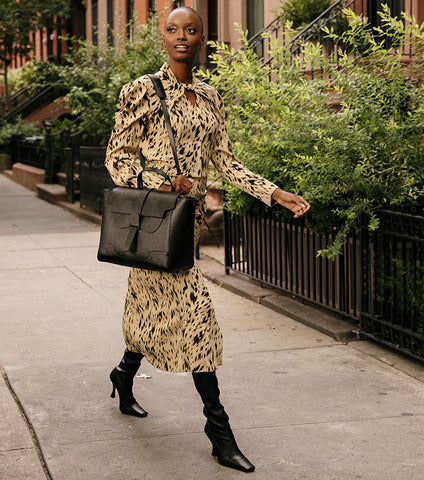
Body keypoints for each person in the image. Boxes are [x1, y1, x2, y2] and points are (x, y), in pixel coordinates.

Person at [105, 6, 310, 473]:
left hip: (188, 226)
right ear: (161, 37)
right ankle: (219, 431)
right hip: (155, 224)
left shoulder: (212, 96)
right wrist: (158, 181)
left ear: (202, 38)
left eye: (190, 30)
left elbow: (226, 161)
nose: (182, 37)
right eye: (172, 30)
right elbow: (117, 159)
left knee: (151, 312)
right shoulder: (141, 90)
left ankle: (122, 374)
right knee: (196, 319)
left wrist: (273, 192)